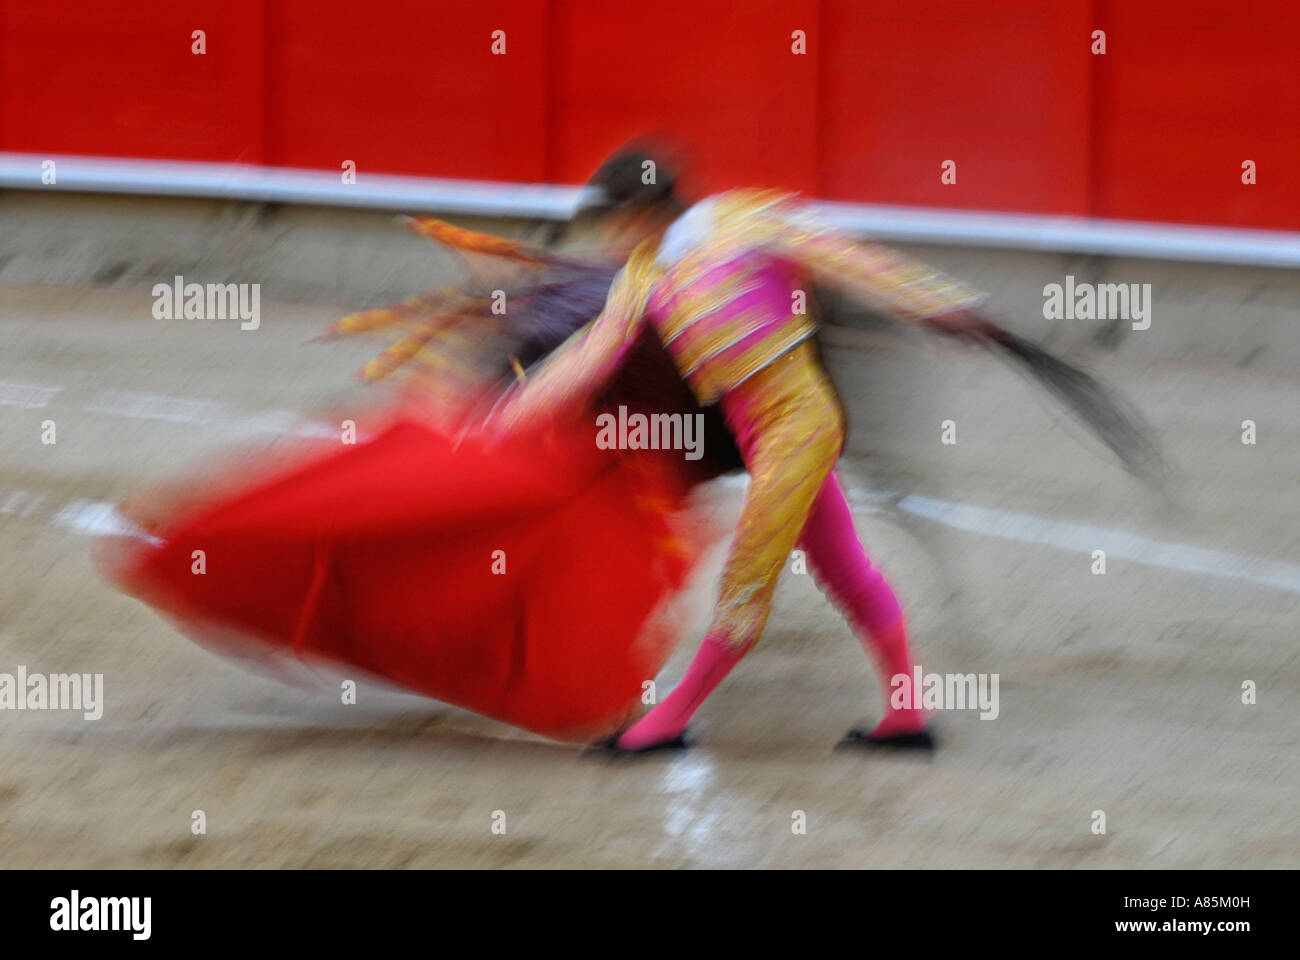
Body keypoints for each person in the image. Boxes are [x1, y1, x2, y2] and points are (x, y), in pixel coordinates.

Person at [486, 150, 992, 753]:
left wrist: (941, 305)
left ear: (643, 212)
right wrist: (501, 424)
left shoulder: (745, 221)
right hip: (763, 437)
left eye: (616, 224)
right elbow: (585, 360)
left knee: (743, 588)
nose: (612, 239)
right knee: (844, 568)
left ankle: (666, 724)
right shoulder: (646, 273)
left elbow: (848, 260)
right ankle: (907, 715)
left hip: (798, 429)